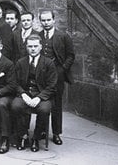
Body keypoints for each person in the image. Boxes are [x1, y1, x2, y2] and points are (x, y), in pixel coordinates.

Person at [11, 34, 57, 152]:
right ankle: (23, 136)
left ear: (40, 47)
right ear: (26, 47)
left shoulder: (48, 63)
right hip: (25, 93)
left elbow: (52, 85)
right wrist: (23, 94)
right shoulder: (21, 62)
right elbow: (15, 82)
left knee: (44, 110)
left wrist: (39, 98)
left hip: (42, 95)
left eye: (35, 46)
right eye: (30, 46)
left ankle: (36, 138)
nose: (33, 49)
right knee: (15, 106)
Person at [39, 10, 75, 145]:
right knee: (42, 102)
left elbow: (71, 55)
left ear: (54, 20)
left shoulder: (63, 36)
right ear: (40, 21)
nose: (46, 23)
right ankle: (42, 130)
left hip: (58, 75)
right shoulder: (38, 35)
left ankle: (56, 133)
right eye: (43, 20)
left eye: (48, 20)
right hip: (41, 75)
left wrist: (62, 69)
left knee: (56, 104)